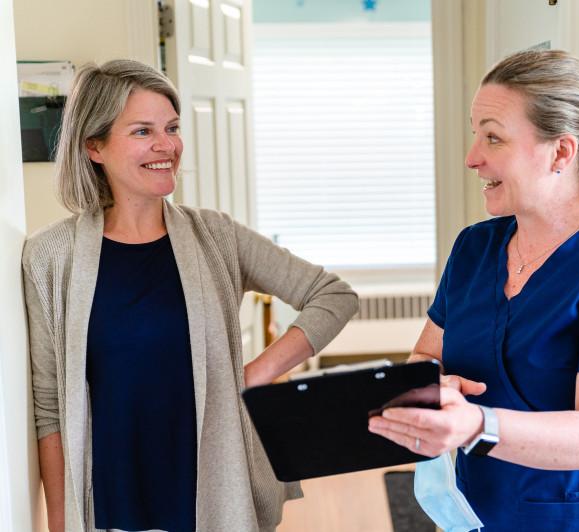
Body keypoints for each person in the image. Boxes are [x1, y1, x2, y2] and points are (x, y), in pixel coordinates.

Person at [22, 59, 359, 532]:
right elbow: (48, 405)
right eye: (143, 131)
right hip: (112, 495)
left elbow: (333, 296)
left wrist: (253, 374)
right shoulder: (49, 257)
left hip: (210, 491)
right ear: (94, 147)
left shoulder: (216, 236)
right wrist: (59, 523)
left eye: (172, 127)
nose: (167, 145)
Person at [368, 49, 579, 531]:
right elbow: (426, 357)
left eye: (493, 137)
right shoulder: (475, 248)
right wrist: (430, 388)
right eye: (476, 135)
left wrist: (476, 424)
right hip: (476, 513)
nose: (473, 158)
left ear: (561, 152)